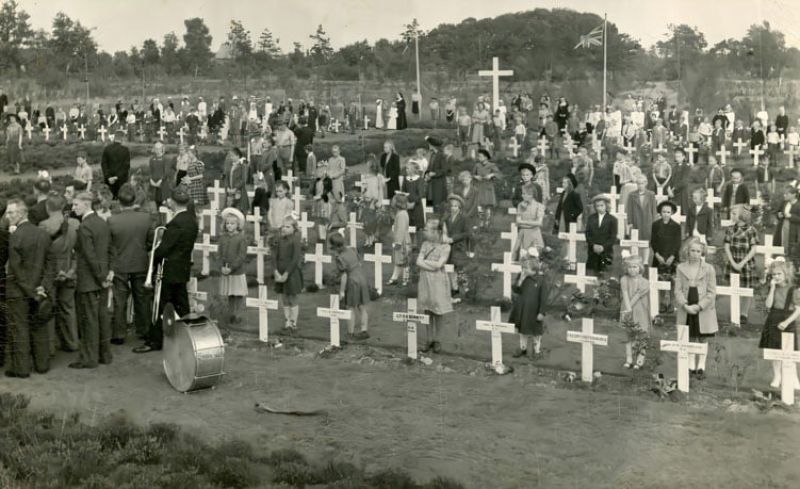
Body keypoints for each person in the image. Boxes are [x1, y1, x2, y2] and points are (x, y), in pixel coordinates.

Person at [133, 187, 198, 353]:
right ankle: (188, 337)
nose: (167, 201)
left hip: (168, 270)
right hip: (181, 268)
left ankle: (155, 341)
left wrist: (153, 254)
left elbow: (163, 250)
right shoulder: (191, 220)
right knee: (181, 304)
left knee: (159, 305)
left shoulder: (176, 223)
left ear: (174, 203)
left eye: (169, 200)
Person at [4, 199, 50, 378]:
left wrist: (30, 290)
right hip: (39, 289)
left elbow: (16, 268)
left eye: (11, 213)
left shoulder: (16, 236)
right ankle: (42, 364)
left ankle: (22, 368)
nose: (8, 216)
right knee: (39, 326)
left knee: (19, 328)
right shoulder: (42, 234)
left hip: (18, 291)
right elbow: (50, 262)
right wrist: (42, 287)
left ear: (22, 213)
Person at [71, 191, 113, 368]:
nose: (73, 208)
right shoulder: (102, 223)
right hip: (103, 277)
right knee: (102, 317)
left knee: (89, 320)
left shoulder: (85, 227)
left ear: (86, 204)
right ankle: (105, 355)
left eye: (76, 205)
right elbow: (111, 249)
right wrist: (109, 272)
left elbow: (89, 256)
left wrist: (101, 277)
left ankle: (89, 359)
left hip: (90, 280)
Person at [108, 184, 154, 343]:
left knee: (120, 300)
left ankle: (119, 334)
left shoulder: (112, 220)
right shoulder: (145, 218)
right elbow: (151, 241)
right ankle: (144, 330)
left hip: (120, 264)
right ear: (134, 200)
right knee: (141, 298)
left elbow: (110, 244)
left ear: (119, 202)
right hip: (140, 262)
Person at [38, 194, 80, 353]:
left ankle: (51, 347)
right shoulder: (74, 223)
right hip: (68, 267)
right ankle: (72, 342)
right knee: (68, 308)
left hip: (50, 271)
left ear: (48, 207)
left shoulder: (43, 225)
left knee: (48, 308)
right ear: (63, 206)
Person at [674, 237, 718, 380]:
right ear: (687, 251)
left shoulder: (709, 269)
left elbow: (712, 292)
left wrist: (699, 306)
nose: (695, 254)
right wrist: (685, 305)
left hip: (703, 307)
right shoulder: (681, 268)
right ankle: (691, 364)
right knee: (691, 336)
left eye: (698, 251)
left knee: (702, 336)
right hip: (687, 305)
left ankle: (701, 365)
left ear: (702, 252)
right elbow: (678, 290)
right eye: (692, 250)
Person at [759, 258, 800, 389]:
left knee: (790, 351)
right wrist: (771, 288)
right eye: (773, 274)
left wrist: (787, 322)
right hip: (773, 318)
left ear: (785, 274)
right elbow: (768, 305)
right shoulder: (773, 287)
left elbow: (798, 310)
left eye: (779, 274)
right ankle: (777, 376)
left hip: (788, 320)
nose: (776, 277)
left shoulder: (793, 289)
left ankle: (793, 377)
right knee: (774, 350)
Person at [416, 218, 452, 353]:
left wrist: (425, 262)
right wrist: (430, 264)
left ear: (436, 232)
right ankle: (429, 339)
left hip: (438, 281)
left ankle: (438, 340)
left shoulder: (445, 246)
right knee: (428, 309)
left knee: (438, 311)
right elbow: (418, 261)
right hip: (425, 280)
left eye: (427, 230)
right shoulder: (425, 244)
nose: (424, 232)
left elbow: (439, 265)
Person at [328, 232, 371, 340]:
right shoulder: (352, 249)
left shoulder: (339, 258)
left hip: (352, 280)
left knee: (350, 307)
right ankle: (364, 330)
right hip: (362, 277)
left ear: (334, 246)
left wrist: (342, 291)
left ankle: (350, 332)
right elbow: (359, 263)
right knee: (362, 306)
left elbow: (344, 275)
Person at [723, 205, 759, 326]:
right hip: (733, 261)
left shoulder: (751, 230)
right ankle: (735, 311)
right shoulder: (729, 229)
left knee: (746, 289)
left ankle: (744, 313)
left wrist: (742, 263)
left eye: (734, 214)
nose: (731, 216)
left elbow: (753, 249)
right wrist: (733, 262)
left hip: (746, 263)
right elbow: (727, 246)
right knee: (734, 288)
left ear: (742, 216)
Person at [509, 247, 547, 359]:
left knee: (536, 333)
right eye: (523, 267)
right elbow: (516, 290)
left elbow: (543, 298)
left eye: (527, 268)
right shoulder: (522, 277)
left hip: (534, 311)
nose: (524, 270)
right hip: (522, 309)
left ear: (534, 270)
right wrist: (520, 280)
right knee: (522, 330)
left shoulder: (541, 280)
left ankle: (537, 350)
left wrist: (542, 312)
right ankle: (523, 348)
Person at [217, 208, 248, 327]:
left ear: (238, 225)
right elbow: (219, 253)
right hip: (225, 271)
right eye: (227, 223)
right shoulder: (223, 238)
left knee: (238, 294)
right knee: (230, 293)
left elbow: (241, 256)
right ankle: (231, 314)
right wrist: (221, 267)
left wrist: (232, 268)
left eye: (232, 223)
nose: (229, 226)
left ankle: (238, 314)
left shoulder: (241, 238)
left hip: (237, 272)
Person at [272, 216, 304, 332]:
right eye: (283, 226)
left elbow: (295, 259)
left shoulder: (295, 241)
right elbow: (274, 257)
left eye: (288, 227)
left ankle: (293, 322)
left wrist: (286, 273)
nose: (284, 229)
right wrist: (275, 271)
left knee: (292, 297)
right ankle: (287, 321)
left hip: (291, 274)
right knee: (284, 297)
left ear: (294, 229)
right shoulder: (279, 240)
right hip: (279, 273)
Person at [620, 253, 651, 369]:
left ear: (640, 268)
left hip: (640, 309)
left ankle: (640, 359)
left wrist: (630, 307)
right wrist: (627, 309)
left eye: (635, 267)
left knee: (641, 333)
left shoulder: (645, 282)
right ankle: (629, 358)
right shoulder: (624, 279)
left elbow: (637, 295)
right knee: (628, 334)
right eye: (630, 267)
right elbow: (625, 293)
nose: (632, 270)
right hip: (627, 307)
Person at [443, 194, 471, 302]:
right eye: (452, 206)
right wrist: (445, 236)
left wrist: (454, 238)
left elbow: (467, 233)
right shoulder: (447, 218)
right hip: (449, 247)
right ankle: (454, 288)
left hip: (459, 246)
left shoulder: (464, 218)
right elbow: (444, 229)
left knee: (460, 269)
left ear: (459, 207)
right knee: (451, 268)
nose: (453, 208)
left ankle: (467, 289)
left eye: (455, 206)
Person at [625, 174, 657, 263]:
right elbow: (629, 209)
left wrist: (654, 223)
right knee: (636, 241)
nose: (640, 185)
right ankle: (636, 261)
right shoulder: (632, 195)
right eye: (638, 184)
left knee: (646, 242)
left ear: (646, 183)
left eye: (642, 183)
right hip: (636, 221)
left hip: (648, 221)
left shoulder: (651, 194)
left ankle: (645, 262)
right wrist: (630, 222)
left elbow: (653, 209)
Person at [586, 194, 618, 275]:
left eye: (601, 205)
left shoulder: (612, 219)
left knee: (604, 272)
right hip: (593, 250)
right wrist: (593, 245)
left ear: (606, 206)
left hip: (606, 250)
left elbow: (613, 236)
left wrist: (603, 247)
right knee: (591, 271)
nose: (599, 208)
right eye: (597, 206)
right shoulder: (591, 218)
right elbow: (587, 233)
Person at [360, 156, 386, 247]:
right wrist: (362, 196)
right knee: (365, 222)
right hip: (366, 202)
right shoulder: (365, 178)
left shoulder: (377, 178)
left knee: (372, 222)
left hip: (373, 203)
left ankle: (372, 239)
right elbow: (363, 190)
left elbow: (377, 192)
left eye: (369, 167)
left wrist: (374, 203)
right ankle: (367, 239)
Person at [388, 194, 411, 286]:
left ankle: (406, 278)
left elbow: (401, 229)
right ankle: (394, 277)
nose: (392, 202)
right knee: (398, 259)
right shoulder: (401, 213)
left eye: (394, 200)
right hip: (401, 240)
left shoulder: (401, 214)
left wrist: (398, 242)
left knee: (403, 260)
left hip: (402, 241)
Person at [473, 149, 499, 228]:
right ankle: (481, 222)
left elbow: (499, 175)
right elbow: (472, 174)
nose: (478, 157)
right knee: (479, 205)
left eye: (480, 156)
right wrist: (475, 176)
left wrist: (491, 175)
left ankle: (487, 223)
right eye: (478, 156)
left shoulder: (492, 165)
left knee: (488, 205)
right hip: (479, 187)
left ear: (486, 157)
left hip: (488, 188)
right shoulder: (477, 165)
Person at [101, 129, 131, 199]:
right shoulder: (125, 150)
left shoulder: (107, 149)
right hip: (121, 180)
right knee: (121, 199)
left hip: (109, 180)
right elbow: (126, 166)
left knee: (108, 198)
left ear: (114, 138)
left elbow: (104, 164)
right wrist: (116, 177)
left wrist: (108, 176)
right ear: (122, 138)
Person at [425, 136, 448, 209]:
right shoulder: (432, 155)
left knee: (438, 202)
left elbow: (444, 170)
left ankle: (438, 214)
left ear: (433, 145)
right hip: (431, 182)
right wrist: (426, 174)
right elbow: (429, 167)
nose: (428, 146)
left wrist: (435, 173)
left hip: (439, 183)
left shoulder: (442, 155)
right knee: (430, 201)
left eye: (429, 144)